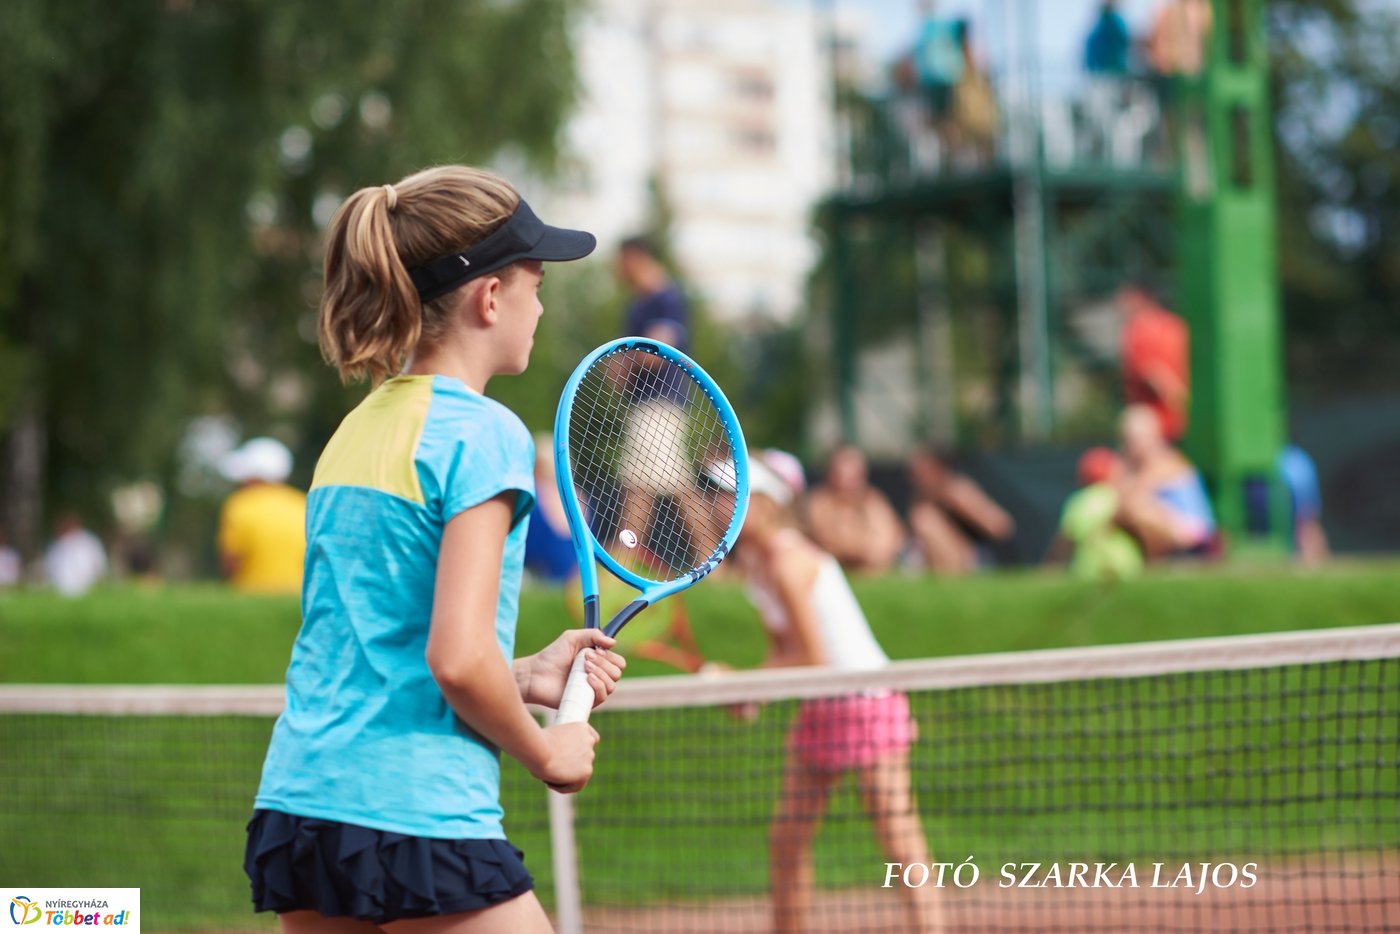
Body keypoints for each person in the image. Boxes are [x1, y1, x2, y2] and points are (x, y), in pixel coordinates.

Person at [244, 166, 627, 933]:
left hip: (300, 811)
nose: (541, 304)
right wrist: (548, 754)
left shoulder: (352, 431)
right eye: (535, 283)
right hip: (417, 813)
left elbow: (384, 651)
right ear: (491, 299)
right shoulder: (486, 434)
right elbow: (455, 659)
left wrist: (519, 674)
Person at [731, 451, 941, 934]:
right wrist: (750, 688)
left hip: (865, 700)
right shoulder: (759, 566)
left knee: (898, 837)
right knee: (787, 839)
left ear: (763, 504)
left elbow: (813, 658)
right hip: (822, 703)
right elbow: (786, 653)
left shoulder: (789, 562)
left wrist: (748, 681)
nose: (718, 505)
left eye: (730, 495)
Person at [612, 235, 700, 569]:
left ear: (636, 257)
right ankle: (627, 553)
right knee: (645, 484)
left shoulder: (666, 298)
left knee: (669, 486)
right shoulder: (638, 304)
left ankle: (710, 557)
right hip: (645, 404)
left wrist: (625, 362)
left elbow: (660, 352)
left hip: (661, 403)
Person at [1116, 404, 1216, 559]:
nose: (1132, 446)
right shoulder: (1133, 468)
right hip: (1169, 533)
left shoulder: (1167, 464)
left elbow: (1129, 498)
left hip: (1193, 538)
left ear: (1154, 436)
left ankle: (1153, 561)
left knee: (1137, 507)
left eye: (1136, 439)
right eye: (1127, 440)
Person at [217, 437, 307, 595]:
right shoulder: (303, 503)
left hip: (250, 597)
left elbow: (231, 562)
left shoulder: (241, 504)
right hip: (297, 598)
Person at [905, 447, 1015, 575]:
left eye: (921, 473)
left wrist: (965, 509)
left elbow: (1002, 526)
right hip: (935, 563)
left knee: (926, 519)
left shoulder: (957, 491)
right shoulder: (920, 500)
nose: (916, 480)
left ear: (938, 470)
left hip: (975, 561)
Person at [1047, 447, 1145, 581]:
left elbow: (1063, 545)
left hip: (1086, 572)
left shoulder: (1077, 502)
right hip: (1125, 568)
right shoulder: (1118, 497)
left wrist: (1048, 571)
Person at [805, 445, 906, 574]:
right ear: (831, 474)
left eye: (856, 476)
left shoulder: (874, 501)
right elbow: (827, 540)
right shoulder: (818, 503)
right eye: (844, 475)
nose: (850, 483)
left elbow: (888, 540)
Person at [1119, 284, 1190, 443]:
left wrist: (1181, 404)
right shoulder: (1174, 324)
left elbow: (1155, 374)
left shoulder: (1139, 329)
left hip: (1157, 428)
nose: (1120, 304)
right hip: (1179, 422)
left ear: (1141, 298)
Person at [43, 512, 107, 597]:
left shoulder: (90, 541)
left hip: (87, 589)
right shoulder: (55, 546)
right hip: (61, 591)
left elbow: (99, 565)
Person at [1085, 1, 1131, 75]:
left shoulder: (1104, 24)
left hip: (1102, 71)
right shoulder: (1113, 23)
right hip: (1110, 72)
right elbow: (1125, 42)